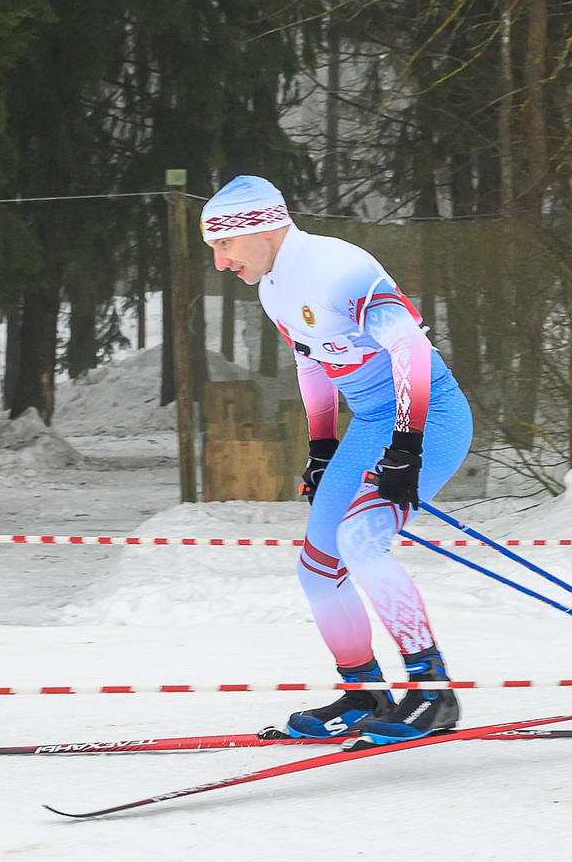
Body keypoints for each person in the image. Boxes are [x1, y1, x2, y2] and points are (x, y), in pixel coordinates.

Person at [201, 175, 474, 744]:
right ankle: (363, 695)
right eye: (214, 248)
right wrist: (323, 448)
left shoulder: (338, 267)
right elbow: (312, 364)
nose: (221, 261)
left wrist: (407, 446)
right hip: (372, 423)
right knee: (318, 568)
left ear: (263, 228)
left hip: (431, 416)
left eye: (225, 244)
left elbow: (410, 349)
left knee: (360, 540)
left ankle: (433, 693)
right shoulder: (273, 289)